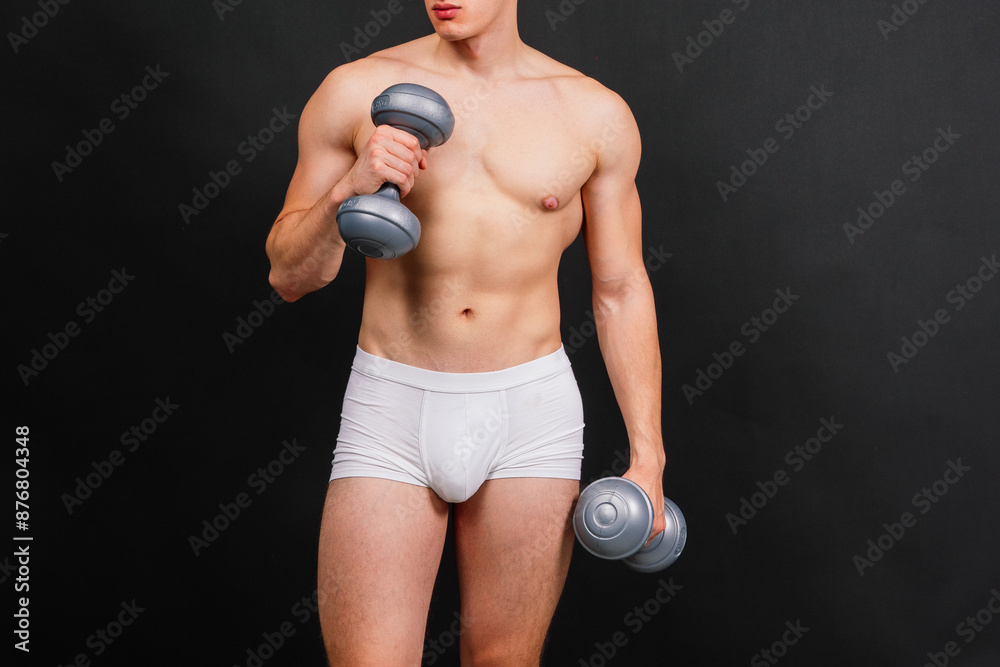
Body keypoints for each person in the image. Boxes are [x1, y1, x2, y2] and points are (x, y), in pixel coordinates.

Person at [265, 1, 665, 664]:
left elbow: (620, 289)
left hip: (529, 412)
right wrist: (350, 190)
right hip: (392, 404)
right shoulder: (356, 91)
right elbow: (288, 274)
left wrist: (648, 456)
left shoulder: (593, 113)